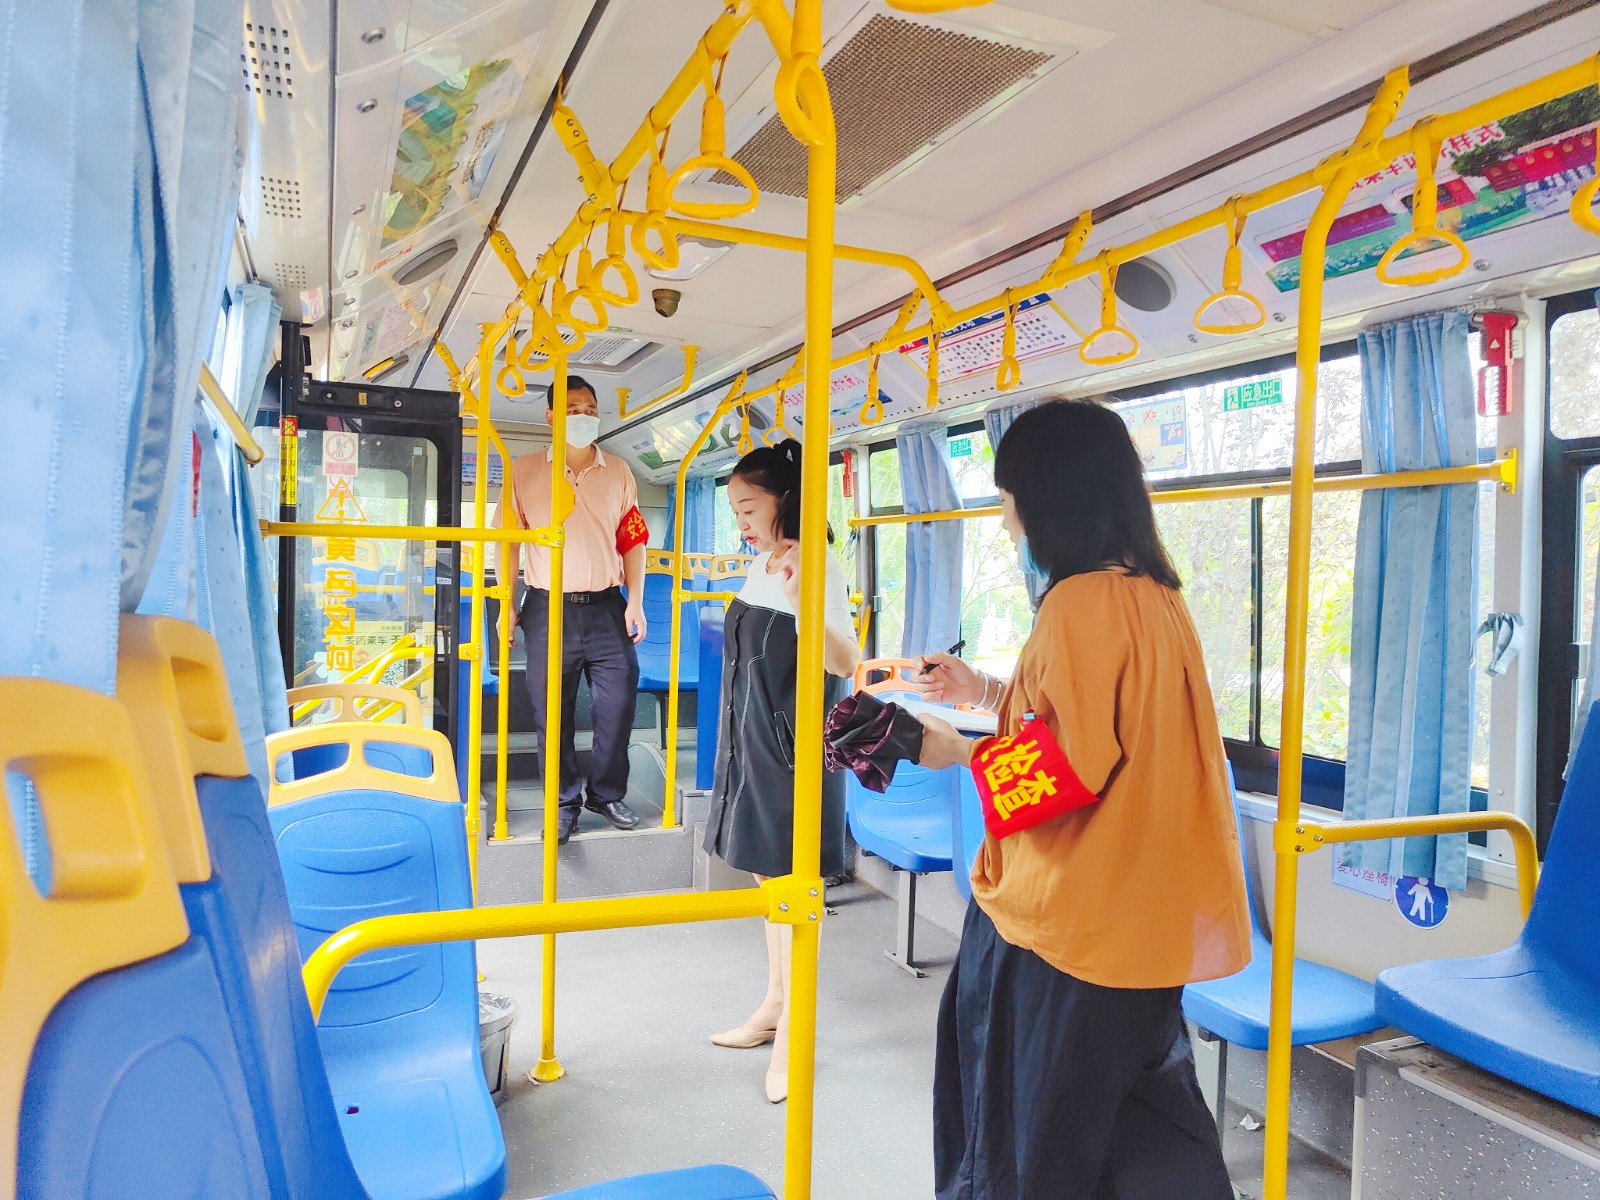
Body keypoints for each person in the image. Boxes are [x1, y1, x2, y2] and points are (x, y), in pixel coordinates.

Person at [914, 398, 1250, 1200]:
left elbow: (1063, 771)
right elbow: (1101, 724)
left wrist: (953, 750)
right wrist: (984, 689)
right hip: (1144, 924)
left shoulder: (1075, 603)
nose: (1007, 524)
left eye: (1009, 501)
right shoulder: (1156, 597)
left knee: (1031, 1141)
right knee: (1145, 1138)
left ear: (1051, 499)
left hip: (1069, 924)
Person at [703, 439, 860, 1105]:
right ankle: (773, 1004)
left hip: (793, 753)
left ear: (784, 501)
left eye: (749, 508)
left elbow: (844, 660)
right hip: (752, 745)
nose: (741, 521)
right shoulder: (762, 561)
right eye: (735, 511)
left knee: (795, 892)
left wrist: (803, 600)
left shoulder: (814, 562)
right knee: (770, 882)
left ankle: (795, 1031)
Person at [500, 376, 650, 845]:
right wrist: (506, 605)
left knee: (618, 704)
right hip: (548, 607)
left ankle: (605, 794)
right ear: (551, 417)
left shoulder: (619, 471)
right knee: (552, 711)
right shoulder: (524, 470)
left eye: (589, 409)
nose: (583, 417)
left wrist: (636, 602)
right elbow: (507, 543)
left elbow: (633, 541)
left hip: (607, 606)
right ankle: (563, 803)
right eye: (572, 409)